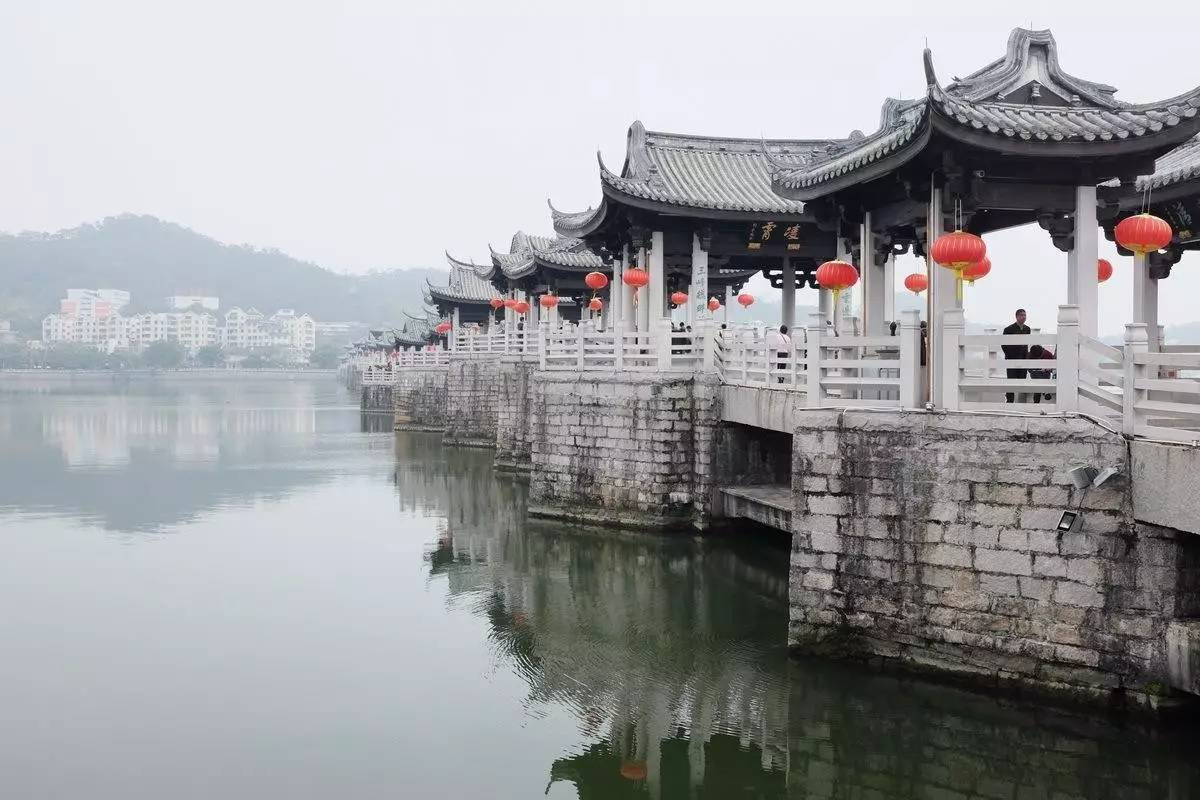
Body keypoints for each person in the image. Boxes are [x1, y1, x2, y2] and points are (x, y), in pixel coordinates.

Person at [1002, 308, 1031, 403]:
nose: (1024, 317)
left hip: (1023, 359)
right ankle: (1010, 402)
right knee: (1011, 381)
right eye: (1022, 315)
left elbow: (1027, 344)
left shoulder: (1027, 329)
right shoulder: (1008, 329)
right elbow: (1003, 345)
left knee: (1022, 381)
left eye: (1025, 315)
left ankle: (1021, 403)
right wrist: (1010, 356)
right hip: (1011, 359)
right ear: (1017, 316)